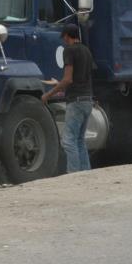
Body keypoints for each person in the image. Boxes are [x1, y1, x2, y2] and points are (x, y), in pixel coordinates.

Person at [42, 24, 94, 173]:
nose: (63, 40)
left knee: (68, 140)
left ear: (66, 36)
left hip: (76, 101)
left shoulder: (69, 50)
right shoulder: (86, 51)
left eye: (64, 37)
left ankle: (73, 174)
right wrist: (60, 83)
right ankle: (85, 172)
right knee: (79, 140)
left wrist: (48, 94)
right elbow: (82, 77)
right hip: (87, 99)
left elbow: (68, 80)